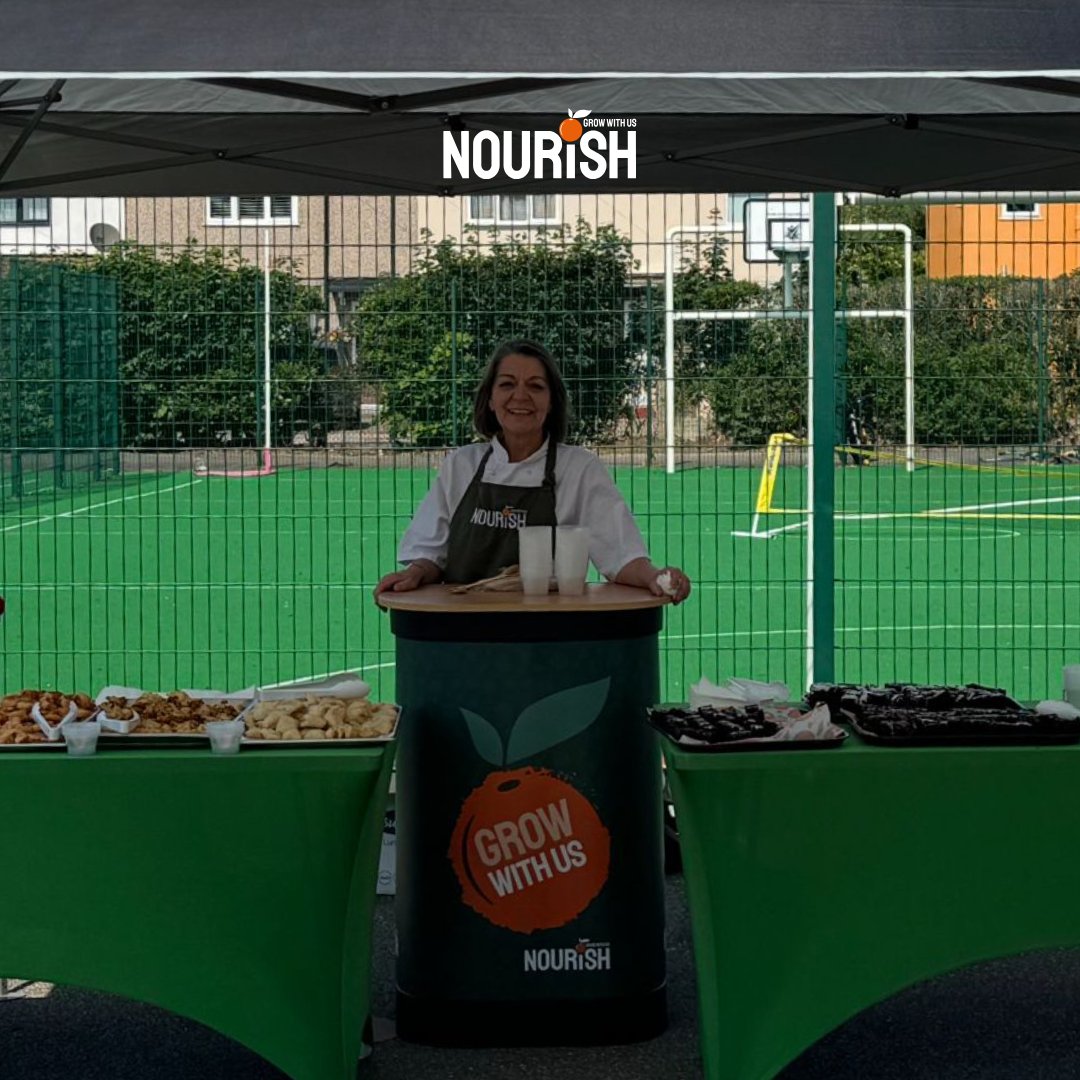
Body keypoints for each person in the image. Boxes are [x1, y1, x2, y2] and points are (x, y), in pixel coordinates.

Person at [374, 340, 692, 604]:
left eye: (536, 386)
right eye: (507, 385)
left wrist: (655, 577)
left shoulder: (579, 468)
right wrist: (413, 573)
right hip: (462, 636)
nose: (521, 396)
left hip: (549, 637)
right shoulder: (461, 465)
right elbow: (431, 554)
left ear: (551, 402)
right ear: (490, 400)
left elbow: (620, 556)